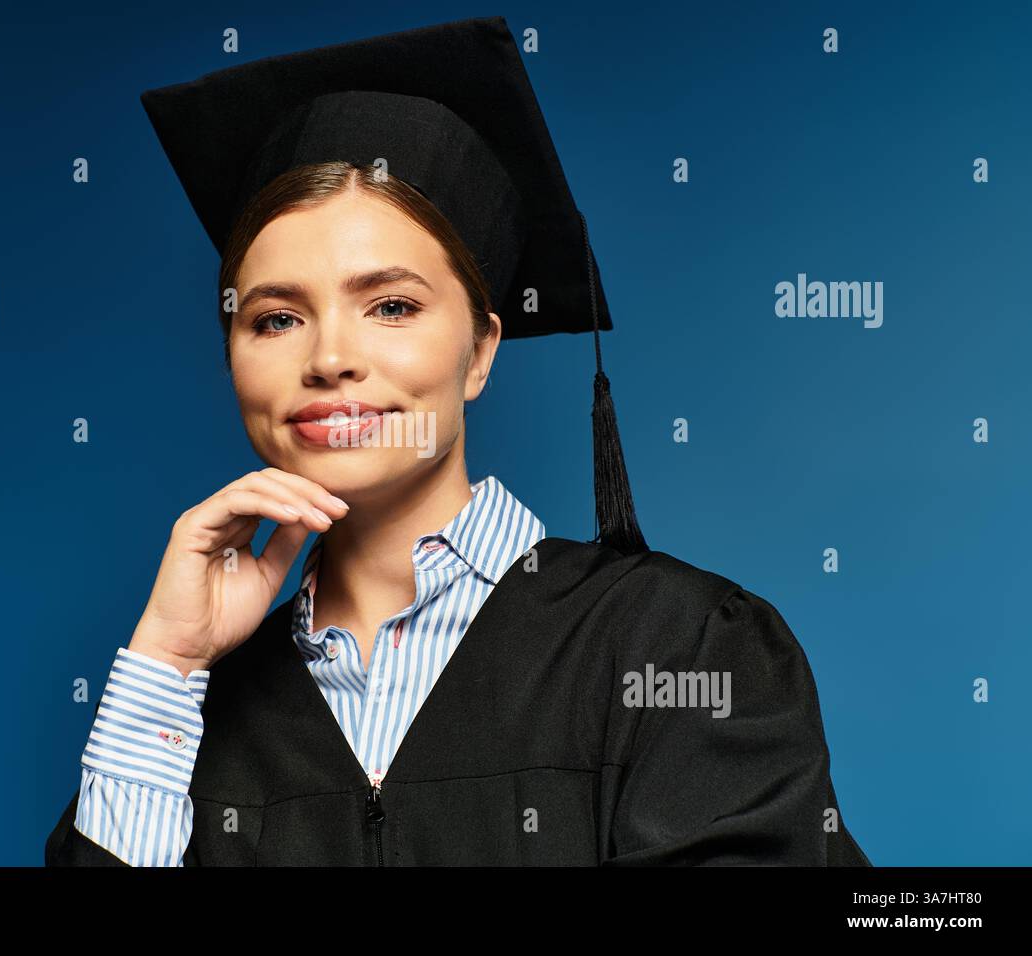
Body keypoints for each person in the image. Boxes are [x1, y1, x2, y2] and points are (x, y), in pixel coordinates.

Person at [45, 16, 870, 866]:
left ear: (480, 351)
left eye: (392, 306)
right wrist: (168, 662)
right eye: (277, 318)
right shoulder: (190, 720)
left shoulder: (675, 649)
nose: (329, 359)